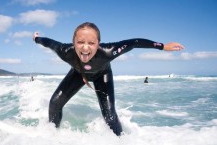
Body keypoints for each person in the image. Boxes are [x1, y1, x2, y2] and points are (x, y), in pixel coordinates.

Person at [32, 22, 184, 136]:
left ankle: (121, 144)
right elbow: (48, 42)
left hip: (102, 75)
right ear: (73, 43)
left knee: (110, 116)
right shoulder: (65, 51)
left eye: (91, 43)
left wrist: (162, 46)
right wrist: (36, 39)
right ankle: (51, 136)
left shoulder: (109, 52)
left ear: (99, 43)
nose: (85, 48)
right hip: (78, 74)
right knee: (54, 104)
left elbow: (134, 43)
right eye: (80, 42)